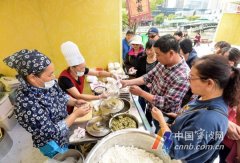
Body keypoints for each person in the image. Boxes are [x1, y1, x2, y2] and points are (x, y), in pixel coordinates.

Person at [3, 49, 91, 158]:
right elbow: (52, 132)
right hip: (52, 142)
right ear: (33, 77)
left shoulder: (48, 83)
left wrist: (74, 102)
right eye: (50, 74)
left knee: (71, 147)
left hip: (65, 126)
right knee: (63, 157)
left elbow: (61, 96)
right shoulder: (26, 105)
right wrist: (75, 115)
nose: (54, 77)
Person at [151, 54, 240, 162]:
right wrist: (181, 118)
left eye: (191, 78)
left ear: (209, 83)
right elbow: (193, 118)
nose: (188, 81)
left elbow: (174, 151)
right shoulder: (206, 97)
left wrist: (161, 121)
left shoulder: (207, 119)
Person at [121, 34, 190, 133]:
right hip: (152, 106)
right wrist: (127, 82)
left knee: (161, 137)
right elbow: (148, 76)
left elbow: (166, 102)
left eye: (158, 54)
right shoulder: (163, 63)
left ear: (171, 53)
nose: (156, 58)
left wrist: (141, 93)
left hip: (165, 115)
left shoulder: (182, 76)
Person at [59, 41, 112, 114]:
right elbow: (78, 95)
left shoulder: (81, 70)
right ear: (72, 67)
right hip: (68, 106)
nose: (84, 70)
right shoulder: (64, 79)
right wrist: (99, 97)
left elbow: (98, 73)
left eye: (84, 67)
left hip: (78, 102)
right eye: (81, 68)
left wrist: (111, 75)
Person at [135, 40, 158, 125]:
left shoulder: (159, 61)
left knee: (150, 108)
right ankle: (140, 120)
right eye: (147, 49)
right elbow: (138, 74)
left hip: (153, 90)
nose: (148, 52)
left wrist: (152, 83)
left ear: (155, 49)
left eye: (151, 50)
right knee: (141, 104)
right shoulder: (142, 59)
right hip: (142, 87)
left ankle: (148, 122)